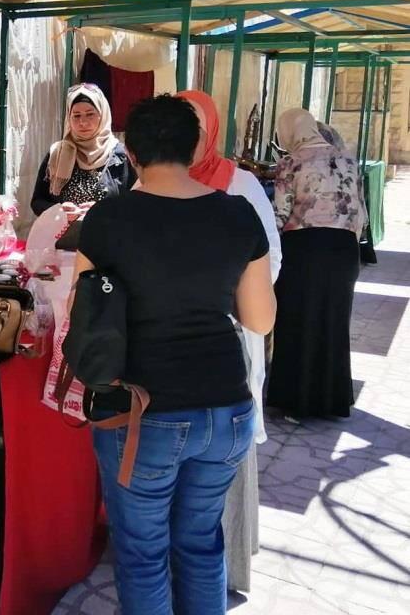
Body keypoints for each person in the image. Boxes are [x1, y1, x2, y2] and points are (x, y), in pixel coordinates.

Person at [71, 94, 276, 615]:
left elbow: (84, 310)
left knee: (143, 553)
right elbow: (260, 320)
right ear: (195, 149)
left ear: (131, 153)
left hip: (144, 413)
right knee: (201, 541)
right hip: (226, 408)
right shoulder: (237, 214)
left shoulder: (108, 218)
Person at [178, 90, 282, 594]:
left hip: (229, 334)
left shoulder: (240, 185)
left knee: (223, 454)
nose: (187, 139)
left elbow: (271, 257)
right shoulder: (155, 180)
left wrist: (222, 300)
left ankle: (226, 565)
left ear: (212, 132)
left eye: (196, 129)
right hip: (170, 340)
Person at [268, 107, 364, 420]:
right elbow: (359, 214)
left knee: (298, 322)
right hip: (344, 250)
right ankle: (332, 401)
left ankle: (297, 403)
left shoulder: (291, 162)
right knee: (333, 323)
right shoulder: (348, 159)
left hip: (305, 250)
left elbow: (280, 215)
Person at [30, 82, 134, 222]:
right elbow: (37, 201)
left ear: (103, 115)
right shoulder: (57, 153)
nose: (83, 122)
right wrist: (58, 210)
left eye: (90, 114)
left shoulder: (122, 156)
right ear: (69, 118)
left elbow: (136, 204)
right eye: (76, 115)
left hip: (108, 235)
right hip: (64, 234)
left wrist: (103, 210)